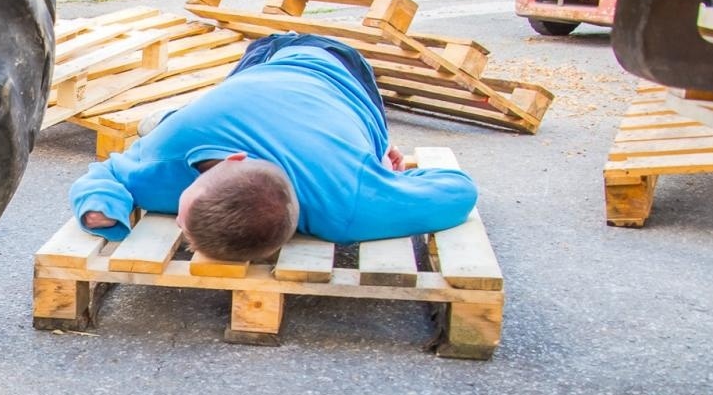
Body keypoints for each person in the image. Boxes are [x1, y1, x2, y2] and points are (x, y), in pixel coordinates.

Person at [70, 33, 479, 260]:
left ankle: (171, 115)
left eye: (182, 219)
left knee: (183, 121)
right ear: (233, 159)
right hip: (291, 61)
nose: (177, 223)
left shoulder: (347, 209)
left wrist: (379, 179)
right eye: (187, 222)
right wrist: (98, 208)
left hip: (330, 80)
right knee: (181, 121)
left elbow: (461, 192)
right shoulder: (166, 157)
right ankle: (170, 116)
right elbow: (458, 191)